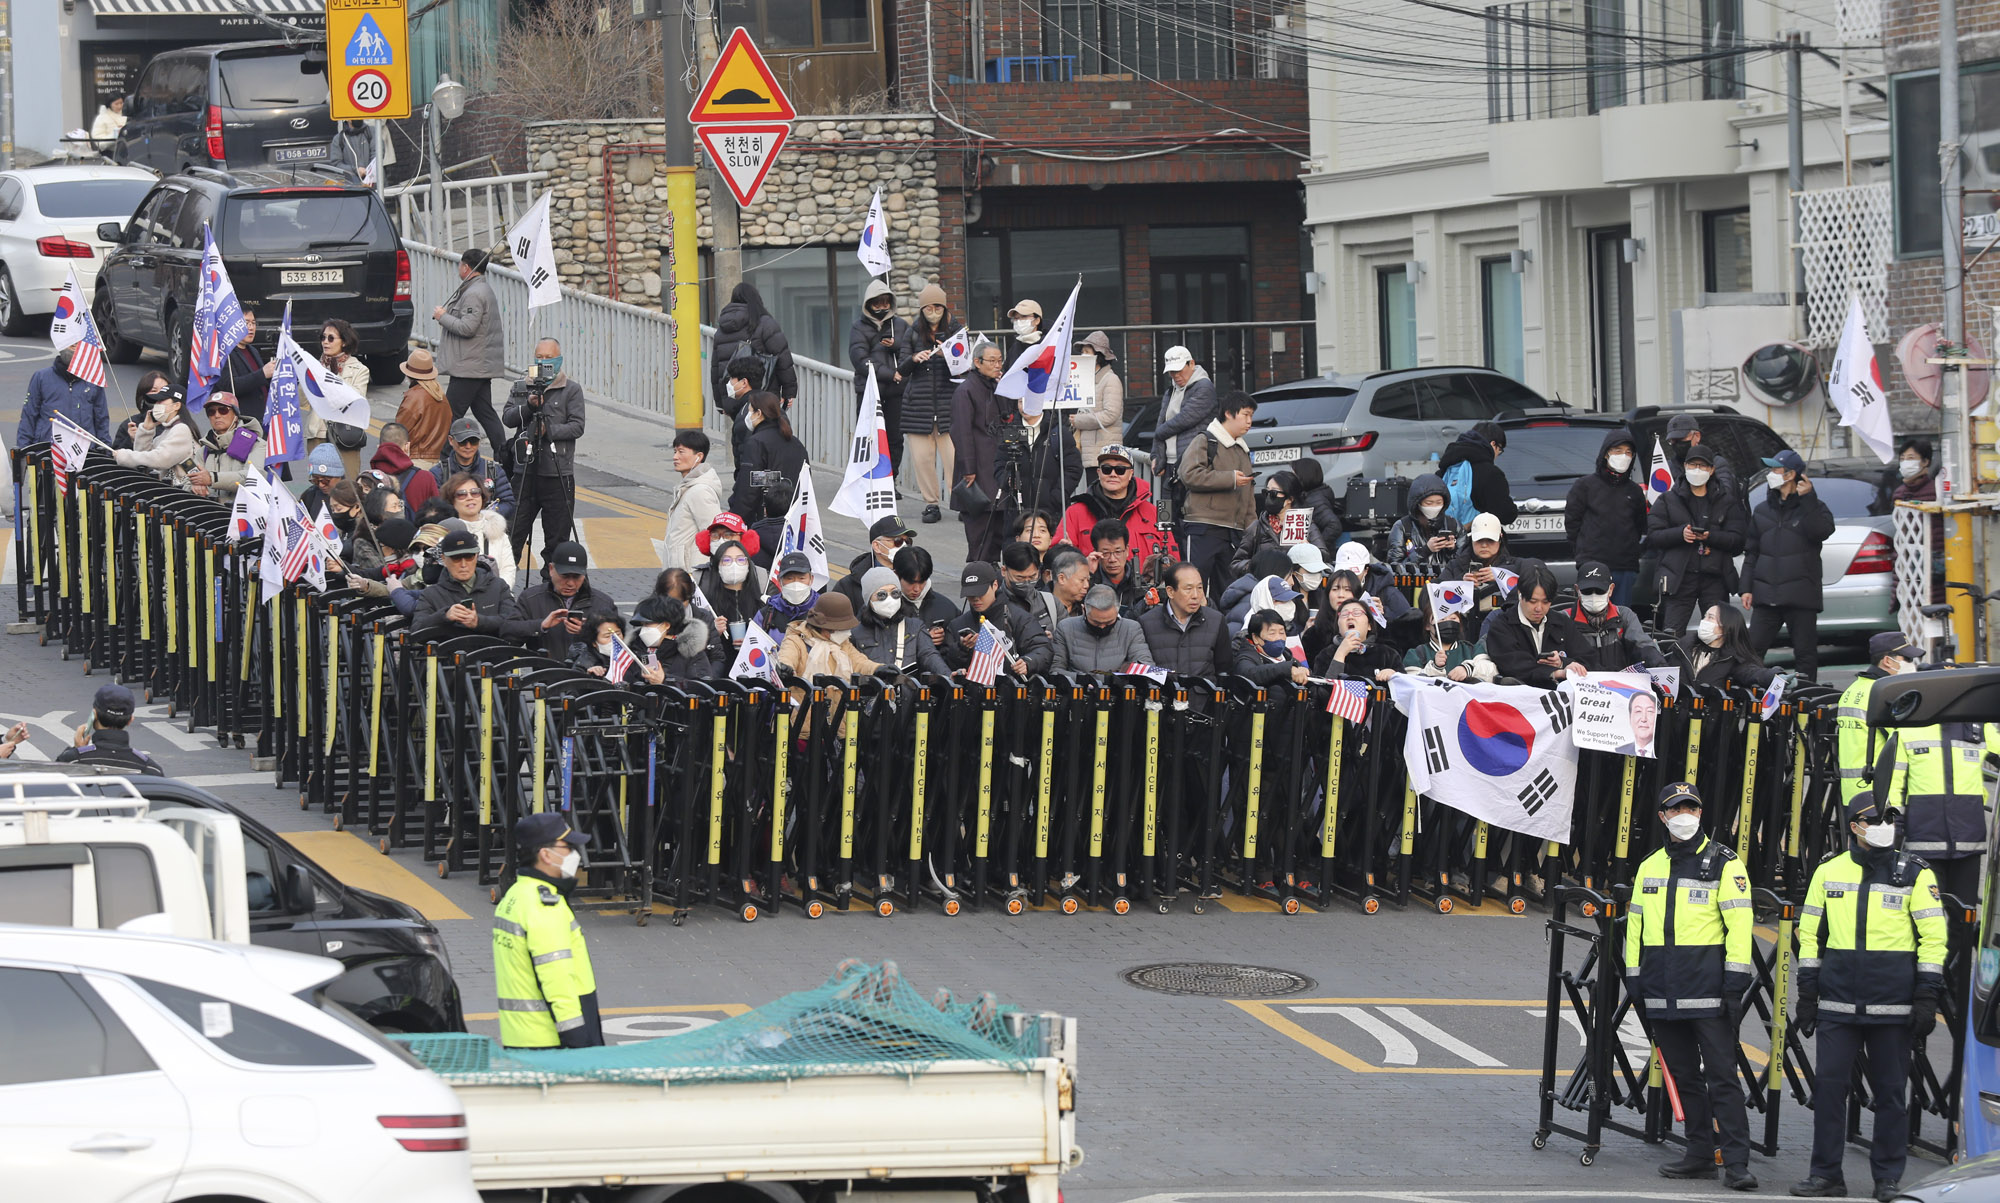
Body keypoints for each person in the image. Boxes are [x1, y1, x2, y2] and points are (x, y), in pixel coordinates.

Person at [1789, 795, 1948, 1201]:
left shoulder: (1916, 873)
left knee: (1892, 1095)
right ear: (1854, 826)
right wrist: (1808, 991)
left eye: (1890, 819)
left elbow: (1934, 938)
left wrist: (1927, 996)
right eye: (1873, 819)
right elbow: (1809, 934)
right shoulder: (1828, 870)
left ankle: (1887, 1178)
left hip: (1893, 1006)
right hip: (1837, 1004)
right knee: (1828, 1090)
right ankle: (1826, 1175)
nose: (1883, 825)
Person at [1626, 782, 1757, 1191]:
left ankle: (1736, 1162)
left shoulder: (1725, 863)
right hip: (1662, 990)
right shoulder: (1650, 866)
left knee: (1722, 1078)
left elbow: (1740, 927)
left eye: (1691, 807)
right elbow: (1635, 927)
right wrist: (1634, 978)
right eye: (1676, 808)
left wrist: (1734, 984)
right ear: (1663, 817)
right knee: (1684, 1078)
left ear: (1701, 814)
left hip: (1708, 992)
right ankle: (1700, 1154)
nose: (1685, 814)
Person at [492, 812, 602, 1049]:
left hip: (521, 1036)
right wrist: (578, 1042)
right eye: (568, 847)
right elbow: (557, 979)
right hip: (551, 1042)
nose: (574, 854)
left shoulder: (514, 896)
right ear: (545, 855)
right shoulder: (545, 906)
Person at [1877, 694, 1994, 903]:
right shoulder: (1908, 729)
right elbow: (1894, 783)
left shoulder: (1978, 728)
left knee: (1964, 915)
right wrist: (1894, 827)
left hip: (1969, 842)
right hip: (1924, 842)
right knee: (1928, 915)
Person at [1741, 449, 1836, 680]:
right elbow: (1752, 551)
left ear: (1792, 474)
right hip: (1766, 595)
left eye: (1776, 470)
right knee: (1752, 652)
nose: (1771, 474)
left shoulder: (1813, 506)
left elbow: (1821, 532)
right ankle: (1751, 695)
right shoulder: (1762, 510)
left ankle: (1806, 701)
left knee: (1805, 655)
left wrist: (1808, 500)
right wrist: (1746, 587)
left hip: (1801, 596)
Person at [1648, 444, 1749, 641]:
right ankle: (1674, 670)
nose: (1697, 470)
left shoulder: (1726, 501)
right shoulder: (1668, 499)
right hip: (1679, 577)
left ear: (1712, 470)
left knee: (1718, 634)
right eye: (1693, 465)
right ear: (1685, 467)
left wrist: (1711, 536)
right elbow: (1653, 536)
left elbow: (1738, 541)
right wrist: (1680, 534)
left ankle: (1716, 670)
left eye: (1703, 466)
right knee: (1671, 635)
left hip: (1715, 577)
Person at [503, 338, 585, 563]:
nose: (543, 362)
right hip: (524, 472)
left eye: (549, 358)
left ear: (559, 359)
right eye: (539, 357)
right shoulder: (522, 386)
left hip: (557, 474)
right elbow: (508, 418)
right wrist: (529, 406)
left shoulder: (571, 390)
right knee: (511, 535)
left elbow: (578, 426)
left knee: (557, 541)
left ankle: (551, 590)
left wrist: (548, 430)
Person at [435, 248, 509, 466]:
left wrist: (442, 317)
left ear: (466, 267)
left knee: (450, 413)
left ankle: (443, 458)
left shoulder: (475, 294)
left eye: (460, 264)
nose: (459, 268)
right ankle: (503, 454)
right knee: (484, 411)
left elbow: (467, 327)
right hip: (477, 364)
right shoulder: (478, 289)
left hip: (470, 365)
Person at [1177, 391, 1257, 591]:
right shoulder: (1206, 440)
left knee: (1229, 588)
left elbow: (1248, 495)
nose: (1250, 421)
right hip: (1203, 526)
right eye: (1245, 415)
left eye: (1251, 416)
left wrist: (1252, 529)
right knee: (1194, 585)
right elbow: (1189, 474)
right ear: (1229, 413)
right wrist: (1229, 478)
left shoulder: (1242, 448)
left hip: (1233, 532)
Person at [1835, 633, 1923, 808]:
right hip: (1882, 794)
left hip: (1856, 791)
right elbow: (1907, 741)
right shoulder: (1884, 694)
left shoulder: (1853, 690)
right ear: (1888, 661)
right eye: (1906, 658)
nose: (1911, 664)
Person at [1565, 429, 1648, 605]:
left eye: (1628, 452)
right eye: (1617, 451)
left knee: (1619, 618)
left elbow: (1640, 525)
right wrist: (1583, 554)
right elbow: (1572, 525)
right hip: (1592, 565)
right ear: (1606, 453)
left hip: (1624, 566)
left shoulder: (1635, 491)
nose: (1623, 456)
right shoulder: (1585, 486)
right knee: (1590, 616)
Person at [1056, 443, 1170, 565]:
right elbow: (1056, 557)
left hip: (1145, 583)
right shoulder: (1075, 512)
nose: (1113, 474)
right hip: (1090, 582)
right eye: (1107, 469)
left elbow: (1171, 556)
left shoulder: (1152, 512)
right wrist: (1065, 552)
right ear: (1098, 472)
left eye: (1120, 470)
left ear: (1131, 473)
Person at [412, 528, 535, 636]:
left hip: (494, 658)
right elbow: (416, 631)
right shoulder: (431, 594)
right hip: (449, 660)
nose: (464, 564)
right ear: (443, 559)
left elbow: (515, 625)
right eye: (456, 558)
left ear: (476, 556)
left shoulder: (498, 586)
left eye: (469, 557)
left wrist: (480, 622)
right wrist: (444, 616)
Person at [1481, 561, 1585, 688]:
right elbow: (1512, 665)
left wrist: (1563, 663)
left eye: (1546, 602)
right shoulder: (1502, 625)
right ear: (1520, 594)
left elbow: (1589, 659)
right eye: (1533, 601)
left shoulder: (1562, 622)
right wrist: (1554, 672)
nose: (1539, 608)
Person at [941, 561, 1052, 679]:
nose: (976, 599)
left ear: (994, 585)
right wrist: (961, 650)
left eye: (981, 593)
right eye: (970, 594)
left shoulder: (1018, 618)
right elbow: (945, 663)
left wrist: (1028, 662)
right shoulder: (957, 625)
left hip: (1012, 690)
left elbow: (1043, 648)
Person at [952, 342, 1011, 563]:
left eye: (999, 361)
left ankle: (992, 571)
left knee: (997, 527)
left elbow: (1006, 415)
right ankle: (978, 573)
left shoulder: (996, 386)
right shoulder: (965, 390)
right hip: (976, 470)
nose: (997, 365)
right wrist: (968, 469)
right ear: (977, 362)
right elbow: (961, 432)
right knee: (979, 531)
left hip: (996, 466)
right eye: (992, 361)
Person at [895, 283, 958, 485]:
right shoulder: (912, 332)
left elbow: (965, 368)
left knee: (954, 460)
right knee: (922, 461)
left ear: (945, 308)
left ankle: (958, 503)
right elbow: (901, 369)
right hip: (918, 408)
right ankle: (931, 503)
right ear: (922, 310)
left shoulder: (956, 331)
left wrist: (947, 354)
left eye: (938, 307)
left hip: (949, 406)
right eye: (928, 308)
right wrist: (913, 358)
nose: (933, 313)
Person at [730, 393, 809, 553]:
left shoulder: (756, 443)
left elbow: (748, 490)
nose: (749, 416)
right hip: (793, 520)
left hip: (764, 522)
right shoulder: (796, 444)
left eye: (751, 412)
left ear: (759, 413)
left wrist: (734, 522)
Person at [517, 541, 619, 661]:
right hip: (546, 676)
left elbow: (618, 649)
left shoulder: (604, 603)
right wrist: (541, 625)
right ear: (551, 569)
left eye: (576, 577)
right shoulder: (530, 599)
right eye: (564, 576)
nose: (570, 583)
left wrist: (589, 632)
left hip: (591, 677)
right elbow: (509, 634)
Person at [998, 398, 1082, 540]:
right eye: (1020, 401)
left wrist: (1057, 496)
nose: (1024, 406)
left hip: (1051, 511)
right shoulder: (1010, 431)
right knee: (1017, 555)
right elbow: (999, 464)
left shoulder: (1058, 433)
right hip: (1017, 509)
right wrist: (1007, 481)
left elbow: (1073, 468)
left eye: (1029, 399)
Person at [1562, 561, 1667, 673]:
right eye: (1587, 591)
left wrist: (1661, 666)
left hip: (1620, 685)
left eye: (1599, 591)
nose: (1594, 596)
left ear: (1610, 590)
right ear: (1577, 590)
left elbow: (1643, 647)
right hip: (1579, 685)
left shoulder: (1624, 616)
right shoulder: (1564, 619)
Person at [1230, 470, 1333, 581]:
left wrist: (1310, 550)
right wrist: (1259, 565)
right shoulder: (1257, 527)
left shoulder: (1304, 525)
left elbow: (1325, 556)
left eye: (1273, 494)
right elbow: (1236, 564)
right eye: (1266, 492)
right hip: (1266, 587)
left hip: (1296, 587)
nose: (1269, 497)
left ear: (1290, 499)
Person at [1139, 561, 1235, 676]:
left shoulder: (1216, 621)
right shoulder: (1146, 623)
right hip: (1165, 693)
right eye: (1188, 589)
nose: (1195, 595)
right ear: (1170, 591)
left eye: (1199, 588)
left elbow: (1224, 671)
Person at [408, 417, 517, 518]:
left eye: (473, 441)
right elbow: (432, 507)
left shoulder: (493, 470)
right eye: (462, 441)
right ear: (451, 440)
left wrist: (485, 515)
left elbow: (509, 503)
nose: (468, 446)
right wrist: (461, 515)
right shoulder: (438, 472)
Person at [851, 566, 951, 675]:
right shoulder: (855, 634)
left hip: (907, 691)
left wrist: (949, 676)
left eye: (895, 593)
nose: (890, 599)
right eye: (881, 595)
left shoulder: (915, 627)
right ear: (869, 599)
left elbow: (930, 656)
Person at [1152, 345, 1218, 508]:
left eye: (1179, 370)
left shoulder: (1204, 387)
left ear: (1192, 364)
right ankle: (1165, 534)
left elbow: (1182, 420)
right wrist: (1156, 454)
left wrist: (1158, 435)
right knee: (1165, 515)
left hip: (1192, 462)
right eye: (1172, 372)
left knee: (1188, 514)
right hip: (1168, 464)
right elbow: (1161, 422)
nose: (1176, 375)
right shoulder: (1170, 391)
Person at [850, 278, 909, 460]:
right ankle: (870, 483)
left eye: (885, 302)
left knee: (895, 439)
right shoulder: (858, 327)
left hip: (896, 393)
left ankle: (891, 481)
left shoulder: (900, 325)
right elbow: (860, 360)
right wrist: (891, 375)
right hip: (869, 391)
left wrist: (895, 345)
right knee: (869, 438)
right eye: (877, 302)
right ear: (869, 304)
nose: (882, 306)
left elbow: (910, 353)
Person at [712, 282, 797, 406]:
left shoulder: (721, 330)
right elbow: (783, 358)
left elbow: (715, 369)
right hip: (763, 395)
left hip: (733, 396)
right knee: (765, 425)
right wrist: (789, 391)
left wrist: (720, 403)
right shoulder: (764, 323)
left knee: (741, 424)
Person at [54, 684, 163, 775]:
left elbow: (51, 786)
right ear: (130, 720)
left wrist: (76, 750)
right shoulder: (150, 769)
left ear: (94, 715)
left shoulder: (72, 761)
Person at [777, 592, 880, 687]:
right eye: (839, 629)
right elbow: (787, 656)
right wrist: (786, 667)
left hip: (838, 705)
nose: (845, 632)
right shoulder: (796, 640)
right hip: (803, 704)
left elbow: (859, 662)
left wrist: (878, 669)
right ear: (824, 628)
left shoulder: (844, 644)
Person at [18, 345, 111, 448]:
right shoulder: (41, 377)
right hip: (47, 449)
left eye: (77, 344)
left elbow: (102, 419)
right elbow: (29, 415)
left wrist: (106, 450)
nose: (73, 348)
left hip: (84, 452)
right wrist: (24, 449)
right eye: (70, 345)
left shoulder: (93, 380)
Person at [1050, 584, 1154, 673]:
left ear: (1117, 612)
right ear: (1084, 610)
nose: (1102, 626)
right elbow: (1055, 670)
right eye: (1096, 622)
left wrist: (1115, 680)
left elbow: (1145, 667)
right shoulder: (1066, 628)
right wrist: (1084, 681)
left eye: (1109, 622)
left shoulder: (1131, 629)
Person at [660, 431, 726, 573]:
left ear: (699, 456)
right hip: (680, 572)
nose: (675, 457)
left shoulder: (700, 492)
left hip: (690, 573)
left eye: (681, 452)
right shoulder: (688, 488)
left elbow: (714, 533)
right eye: (675, 451)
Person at [315, 318, 371, 481]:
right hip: (319, 431)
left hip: (346, 434)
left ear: (345, 342)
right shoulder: (314, 366)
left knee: (348, 485)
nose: (325, 342)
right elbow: (304, 401)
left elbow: (356, 399)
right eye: (323, 337)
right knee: (320, 484)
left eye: (331, 338)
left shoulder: (359, 369)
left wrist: (334, 377)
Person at [112, 386, 199, 487]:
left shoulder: (181, 429)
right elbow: (144, 458)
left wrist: (125, 456)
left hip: (182, 493)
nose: (156, 405)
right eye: (156, 402)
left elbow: (160, 459)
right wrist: (146, 429)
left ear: (176, 405)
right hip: (171, 491)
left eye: (161, 401)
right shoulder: (168, 430)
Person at [1437, 421, 1517, 526]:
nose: (1498, 455)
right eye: (1500, 450)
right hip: (1478, 539)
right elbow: (1505, 514)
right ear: (1493, 444)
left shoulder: (1445, 469)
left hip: (1445, 538)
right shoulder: (1491, 474)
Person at [1893, 437, 1944, 602]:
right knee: (1910, 605)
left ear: (1925, 462)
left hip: (1933, 564)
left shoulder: (1936, 491)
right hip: (1907, 563)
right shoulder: (1899, 493)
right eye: (1902, 459)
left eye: (1911, 458)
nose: (1905, 463)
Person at [1446, 512, 1520, 624]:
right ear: (1471, 539)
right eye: (1479, 540)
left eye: (1490, 540)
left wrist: (1502, 576)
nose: (1484, 545)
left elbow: (1539, 572)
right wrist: (1460, 584)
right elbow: (1430, 595)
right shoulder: (1455, 565)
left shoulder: (1514, 565)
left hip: (1499, 630)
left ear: (1500, 539)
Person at [1068, 331, 1125, 477]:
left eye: (1087, 351)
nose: (1083, 355)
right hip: (1091, 453)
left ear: (1099, 355)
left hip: (1104, 453)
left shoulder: (1110, 379)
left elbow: (1110, 414)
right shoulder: (1086, 380)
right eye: (1082, 352)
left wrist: (1078, 420)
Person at [189, 392, 262, 502]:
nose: (217, 415)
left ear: (235, 415)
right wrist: (194, 486)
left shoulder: (256, 444)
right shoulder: (204, 450)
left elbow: (252, 478)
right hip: (209, 514)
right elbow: (186, 480)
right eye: (211, 412)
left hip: (241, 514)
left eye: (223, 410)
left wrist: (212, 478)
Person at [444, 471, 516, 582]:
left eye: (475, 493)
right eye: (462, 494)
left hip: (496, 595)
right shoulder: (444, 531)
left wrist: (497, 592)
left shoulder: (498, 532)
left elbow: (508, 570)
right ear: (452, 500)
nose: (469, 497)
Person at [1688, 604, 1778, 693]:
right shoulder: (1682, 647)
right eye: (1705, 616)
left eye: (1710, 617)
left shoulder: (1733, 659)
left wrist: (1777, 676)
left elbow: (1752, 673)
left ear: (1726, 626)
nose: (1704, 621)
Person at [1386, 473, 1462, 576]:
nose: (1434, 506)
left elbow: (1465, 564)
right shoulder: (1402, 527)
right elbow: (1395, 568)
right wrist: (1425, 551)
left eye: (1439, 502)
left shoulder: (1454, 525)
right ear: (1417, 503)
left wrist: (1452, 550)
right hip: (1415, 586)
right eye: (1429, 503)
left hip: (1447, 586)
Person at [1401, 600, 1496, 683]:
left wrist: (1468, 669)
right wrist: (1435, 668)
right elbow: (1411, 683)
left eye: (1453, 618)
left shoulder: (1472, 649)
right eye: (1441, 619)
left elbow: (1491, 671)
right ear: (1427, 626)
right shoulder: (1416, 654)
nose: (1448, 622)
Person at [835, 516, 918, 610]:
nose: (904, 546)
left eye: (907, 541)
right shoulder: (848, 586)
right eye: (897, 541)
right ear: (877, 546)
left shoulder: (917, 576)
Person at [695, 539, 766, 650]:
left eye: (740, 559)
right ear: (718, 566)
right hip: (719, 664)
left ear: (748, 565)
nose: (734, 565)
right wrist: (713, 634)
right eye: (726, 560)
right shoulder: (706, 605)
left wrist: (753, 642)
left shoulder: (762, 603)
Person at [1316, 597, 1401, 682]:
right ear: (1338, 626)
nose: (1350, 617)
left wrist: (1394, 675)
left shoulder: (1387, 654)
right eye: (1344, 614)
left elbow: (1405, 688)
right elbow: (1321, 691)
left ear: (1369, 625)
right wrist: (1340, 654)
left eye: (1356, 613)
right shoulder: (1326, 654)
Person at [395, 347, 452, 467]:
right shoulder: (440, 395)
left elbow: (399, 431)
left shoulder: (413, 397)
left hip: (414, 459)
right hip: (436, 460)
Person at [574, 613, 664, 685]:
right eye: (607, 636)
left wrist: (655, 679)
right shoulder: (584, 661)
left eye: (618, 634)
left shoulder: (632, 655)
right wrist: (590, 676)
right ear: (594, 642)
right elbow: (573, 691)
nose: (615, 639)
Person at [1665, 414, 1740, 497]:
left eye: (1681, 438)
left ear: (1697, 436)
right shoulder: (1667, 468)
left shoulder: (1717, 463)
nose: (1677, 444)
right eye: (1673, 440)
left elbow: (1724, 494)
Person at [1237, 608, 1312, 687]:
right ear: (1255, 638)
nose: (1279, 638)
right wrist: (1287, 670)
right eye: (1272, 633)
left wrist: (1305, 672)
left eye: (1282, 632)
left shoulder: (1287, 656)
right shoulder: (1246, 657)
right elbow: (1250, 674)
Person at [756, 551, 822, 638]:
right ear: (780, 581)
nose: (796, 584)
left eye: (801, 578)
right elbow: (754, 646)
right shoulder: (767, 613)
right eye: (789, 578)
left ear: (811, 579)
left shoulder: (823, 610)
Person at [893, 544, 959, 631]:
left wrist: (947, 639)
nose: (917, 589)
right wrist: (923, 639)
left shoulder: (947, 608)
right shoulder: (885, 610)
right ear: (896, 575)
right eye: (911, 582)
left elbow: (956, 640)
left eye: (922, 582)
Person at [222, 312, 268, 427]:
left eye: (253, 323)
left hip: (264, 419)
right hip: (244, 423)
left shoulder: (253, 350)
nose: (251, 327)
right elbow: (231, 386)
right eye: (246, 323)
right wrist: (263, 374)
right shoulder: (225, 354)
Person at [114, 372, 173, 452]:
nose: (160, 395)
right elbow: (115, 455)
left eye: (164, 390)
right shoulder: (130, 424)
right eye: (154, 391)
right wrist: (131, 440)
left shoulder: (178, 422)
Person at [298, 444, 344, 519]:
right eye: (315, 480)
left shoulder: (352, 496)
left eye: (325, 481)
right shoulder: (310, 495)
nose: (321, 485)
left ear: (338, 475)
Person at [1615, 691, 1660, 758]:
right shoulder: (1617, 751)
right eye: (1638, 711)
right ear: (1630, 717)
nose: (1643, 719)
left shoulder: (1664, 752)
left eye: (1650, 711)